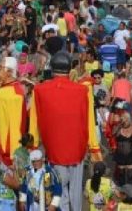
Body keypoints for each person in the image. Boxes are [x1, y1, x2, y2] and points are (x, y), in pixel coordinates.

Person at [29, 51, 101, 211]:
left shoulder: (39, 90)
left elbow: (34, 123)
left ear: (52, 68)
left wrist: (32, 147)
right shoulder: (83, 91)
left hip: (54, 149)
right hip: (78, 148)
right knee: (76, 192)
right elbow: (90, 120)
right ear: (70, 70)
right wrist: (94, 148)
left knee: (59, 192)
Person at [0, 56, 27, 166]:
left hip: (7, 149)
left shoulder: (15, 95)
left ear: (10, 72)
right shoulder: (0, 90)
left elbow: (16, 127)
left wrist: (13, 154)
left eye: (1, 68)